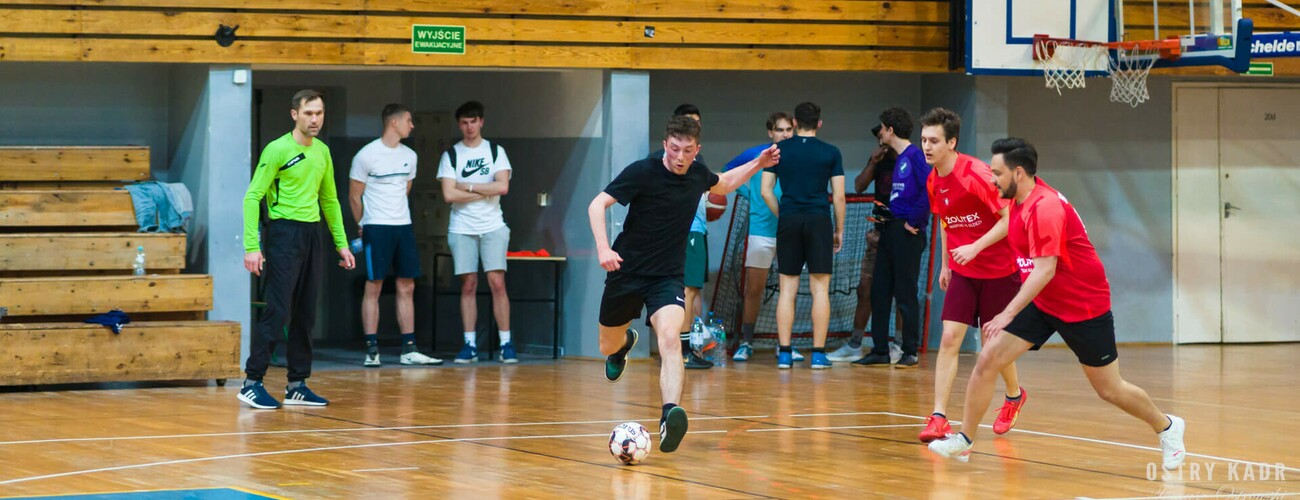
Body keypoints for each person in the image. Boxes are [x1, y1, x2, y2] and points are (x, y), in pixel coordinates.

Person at [928, 138, 1186, 470]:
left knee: (1109, 389)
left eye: (997, 173)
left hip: (1082, 305)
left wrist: (1007, 312)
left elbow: (1045, 270)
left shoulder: (1044, 207)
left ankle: (1167, 427)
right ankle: (964, 440)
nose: (991, 179)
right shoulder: (1019, 200)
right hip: (1044, 301)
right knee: (988, 359)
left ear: (1018, 173)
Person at [591, 116, 779, 454]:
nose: (680, 157)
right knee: (606, 345)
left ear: (697, 150)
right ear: (665, 145)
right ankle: (621, 346)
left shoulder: (696, 174)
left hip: (666, 276)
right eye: (675, 149)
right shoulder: (642, 171)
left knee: (670, 340)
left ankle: (669, 415)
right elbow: (597, 204)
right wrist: (604, 248)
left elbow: (723, 183)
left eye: (688, 151)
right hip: (626, 271)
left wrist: (758, 163)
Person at [239, 89, 355, 409]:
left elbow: (329, 200)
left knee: (306, 312)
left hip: (312, 234)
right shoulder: (277, 149)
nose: (314, 119)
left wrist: (341, 244)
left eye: (319, 113)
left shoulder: (323, 152)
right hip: (283, 234)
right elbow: (252, 197)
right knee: (278, 310)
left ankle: (297, 384)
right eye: (308, 113)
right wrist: (253, 246)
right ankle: (252, 382)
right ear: (295, 115)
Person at [915, 108, 1025, 443]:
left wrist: (975, 247)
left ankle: (1014, 395)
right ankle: (938, 417)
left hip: (998, 270)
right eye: (923, 140)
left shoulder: (977, 174)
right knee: (949, 338)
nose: (927, 147)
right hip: (963, 270)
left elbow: (1009, 220)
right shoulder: (934, 179)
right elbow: (945, 220)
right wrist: (947, 263)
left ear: (952, 142)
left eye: (934, 141)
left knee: (993, 346)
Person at [349, 103, 442, 367]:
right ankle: (371, 349)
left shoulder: (410, 156)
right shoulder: (366, 155)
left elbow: (405, 189)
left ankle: (409, 348)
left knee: (407, 285)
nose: (412, 126)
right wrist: (363, 223)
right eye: (409, 121)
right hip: (376, 228)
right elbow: (354, 196)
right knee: (374, 285)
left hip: (403, 227)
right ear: (394, 123)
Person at [760, 102, 845, 370]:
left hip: (790, 220)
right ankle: (818, 354)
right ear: (819, 123)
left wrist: (783, 213)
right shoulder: (831, 152)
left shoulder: (778, 150)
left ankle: (785, 353)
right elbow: (839, 196)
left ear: (795, 123)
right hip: (819, 220)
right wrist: (839, 229)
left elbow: (766, 191)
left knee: (787, 290)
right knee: (820, 289)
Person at [437, 101, 517, 364]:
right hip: (462, 227)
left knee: (497, 283)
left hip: (493, 225)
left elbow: (502, 187)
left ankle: (506, 343)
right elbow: (449, 194)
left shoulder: (495, 151)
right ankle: (469, 344)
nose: (469, 127)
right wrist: (485, 188)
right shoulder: (451, 155)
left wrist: (468, 187)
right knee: (468, 284)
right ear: (459, 125)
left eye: (473, 121)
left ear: (481, 122)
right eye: (464, 122)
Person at [855, 106, 931, 368]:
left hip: (905, 230)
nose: (880, 132)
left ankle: (910, 350)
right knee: (880, 289)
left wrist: (915, 221)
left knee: (906, 291)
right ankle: (879, 350)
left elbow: (930, 189)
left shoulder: (915, 156)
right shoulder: (897, 157)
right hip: (888, 228)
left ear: (890, 129)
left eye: (882, 128)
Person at [723, 111, 799, 362]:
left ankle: (784, 344)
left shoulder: (799, 155)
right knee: (753, 288)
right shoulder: (756, 155)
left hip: (790, 231)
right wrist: (749, 194)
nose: (785, 134)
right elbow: (726, 172)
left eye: (789, 130)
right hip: (761, 230)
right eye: (780, 130)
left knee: (789, 290)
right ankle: (746, 342)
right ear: (771, 132)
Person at [828, 124, 902, 363]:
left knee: (902, 293)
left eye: (880, 133)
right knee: (865, 290)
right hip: (877, 235)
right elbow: (859, 185)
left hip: (901, 235)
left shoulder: (909, 160)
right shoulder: (879, 160)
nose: (879, 139)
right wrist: (872, 161)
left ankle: (900, 345)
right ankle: (855, 343)